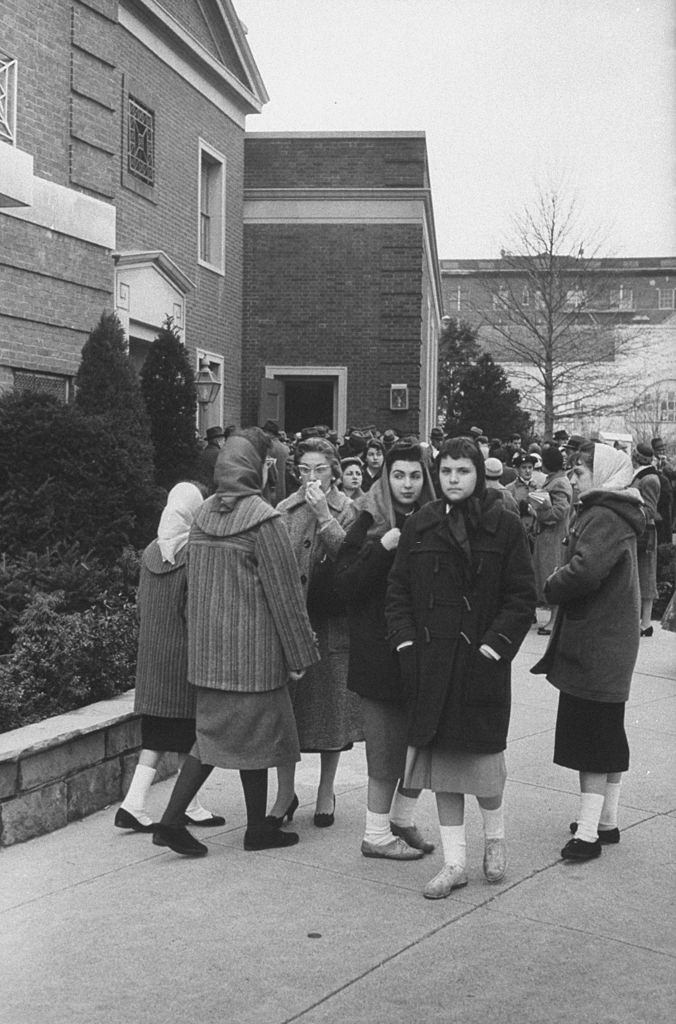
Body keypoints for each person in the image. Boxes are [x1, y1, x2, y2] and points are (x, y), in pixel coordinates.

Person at [151, 428, 320, 857]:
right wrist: (300, 654)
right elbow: (285, 596)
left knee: (217, 740)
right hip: (256, 657)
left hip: (209, 657)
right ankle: (180, 823)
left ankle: (252, 827)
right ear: (257, 467)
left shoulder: (203, 516)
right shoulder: (263, 520)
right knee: (256, 738)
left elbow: (189, 590)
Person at [386, 437, 536, 898]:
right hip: (432, 664)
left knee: (484, 764)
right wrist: (407, 642)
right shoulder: (421, 525)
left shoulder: (505, 526)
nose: (454, 480)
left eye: (463, 471)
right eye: (447, 471)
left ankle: (495, 839)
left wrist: (494, 648)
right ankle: (454, 863)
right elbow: (398, 591)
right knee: (443, 770)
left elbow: (521, 597)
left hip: (480, 664)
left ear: (478, 474)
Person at [531, 443, 644, 861]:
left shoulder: (602, 514)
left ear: (605, 473)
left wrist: (551, 583)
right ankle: (606, 821)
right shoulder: (617, 512)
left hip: (596, 645)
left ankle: (589, 835)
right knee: (607, 735)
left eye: (581, 469)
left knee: (591, 742)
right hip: (610, 643)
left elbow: (585, 571)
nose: (574, 476)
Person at [335, 442, 437, 860]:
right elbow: (343, 587)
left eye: (415, 476)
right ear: (385, 478)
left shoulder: (436, 519)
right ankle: (375, 834)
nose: (407, 484)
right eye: (399, 475)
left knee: (423, 743)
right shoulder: (367, 519)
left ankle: (402, 819)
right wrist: (383, 548)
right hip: (379, 652)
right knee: (384, 749)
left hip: (424, 651)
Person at [115, 482, 223, 833]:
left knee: (159, 734)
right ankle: (182, 804)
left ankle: (136, 804)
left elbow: (141, 605)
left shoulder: (151, 551)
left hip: (152, 655)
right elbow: (196, 611)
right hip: (183, 658)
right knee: (193, 733)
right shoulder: (195, 553)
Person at [268, 438, 362, 828]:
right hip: (292, 626)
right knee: (286, 717)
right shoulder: (283, 510)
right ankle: (284, 793)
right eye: (304, 469)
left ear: (334, 471)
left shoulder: (351, 511)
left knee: (331, 712)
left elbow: (352, 559)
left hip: (332, 626)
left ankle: (326, 790)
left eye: (319, 469)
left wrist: (325, 516)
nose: (310, 477)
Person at [531, 446, 573, 635]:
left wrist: (540, 513)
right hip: (547, 535)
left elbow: (560, 510)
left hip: (553, 536)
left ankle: (554, 620)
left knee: (552, 574)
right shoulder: (555, 480)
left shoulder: (559, 483)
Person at [631, 443, 660, 636]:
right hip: (642, 529)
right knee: (642, 573)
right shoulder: (644, 475)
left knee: (646, 574)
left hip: (645, 530)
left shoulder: (648, 478)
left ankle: (646, 622)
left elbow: (650, 509)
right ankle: (644, 622)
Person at [194, 425, 225, 493]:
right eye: (222, 439)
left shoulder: (203, 453)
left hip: (203, 489)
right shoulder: (219, 454)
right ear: (217, 440)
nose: (224, 441)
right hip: (215, 491)